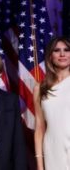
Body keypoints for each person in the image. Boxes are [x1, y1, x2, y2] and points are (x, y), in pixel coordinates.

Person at [33, 36, 70, 170]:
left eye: (67, 50)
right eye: (57, 50)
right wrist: (40, 165)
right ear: (50, 56)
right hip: (53, 150)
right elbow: (39, 128)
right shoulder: (40, 88)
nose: (62, 54)